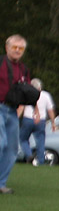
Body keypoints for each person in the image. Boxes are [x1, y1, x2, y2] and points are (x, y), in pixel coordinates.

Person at [1, 34, 32, 194]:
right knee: (1, 143)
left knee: (13, 148)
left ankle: (1, 183)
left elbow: (24, 92)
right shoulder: (0, 63)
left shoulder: (23, 69)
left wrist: (20, 110)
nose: (17, 50)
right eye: (14, 47)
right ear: (7, 48)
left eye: (21, 48)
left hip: (12, 111)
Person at [19, 78, 56, 166]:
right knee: (40, 141)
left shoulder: (26, 94)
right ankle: (41, 161)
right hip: (41, 120)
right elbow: (50, 110)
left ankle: (29, 155)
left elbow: (21, 107)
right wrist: (53, 122)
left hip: (28, 119)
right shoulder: (46, 95)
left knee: (23, 139)